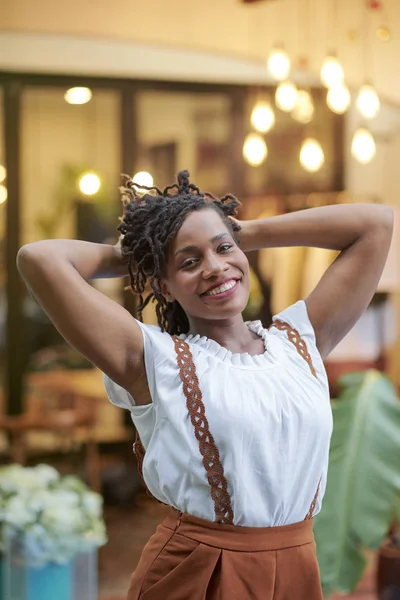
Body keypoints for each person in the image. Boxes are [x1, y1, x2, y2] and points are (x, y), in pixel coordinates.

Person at [17, 170, 393, 600]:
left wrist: (240, 230)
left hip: (297, 564)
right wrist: (143, 251)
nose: (216, 269)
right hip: (201, 571)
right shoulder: (153, 360)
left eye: (224, 250)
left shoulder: (299, 341)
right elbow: (39, 258)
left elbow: (376, 224)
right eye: (189, 262)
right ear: (165, 285)